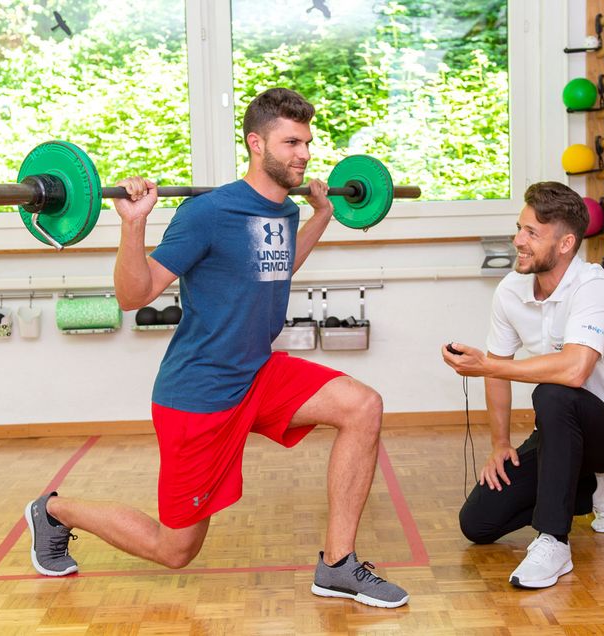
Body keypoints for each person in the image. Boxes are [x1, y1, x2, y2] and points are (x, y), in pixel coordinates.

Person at [23, 88, 408, 609]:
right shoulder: (206, 213)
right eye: (291, 142)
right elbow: (133, 296)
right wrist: (134, 224)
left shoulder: (285, 211)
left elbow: (279, 265)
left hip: (257, 372)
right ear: (256, 143)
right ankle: (55, 511)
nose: (304, 154)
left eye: (308, 143)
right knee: (175, 549)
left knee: (362, 405)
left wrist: (322, 214)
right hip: (200, 392)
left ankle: (337, 564)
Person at [441, 181, 604, 589]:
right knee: (478, 523)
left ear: (566, 242)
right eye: (520, 228)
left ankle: (554, 540)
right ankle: (582, 490)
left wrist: (489, 368)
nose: (518, 240)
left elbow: (574, 371)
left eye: (531, 233)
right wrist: (500, 444)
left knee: (553, 391)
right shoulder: (511, 291)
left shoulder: (593, 287)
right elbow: (497, 369)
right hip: (556, 433)